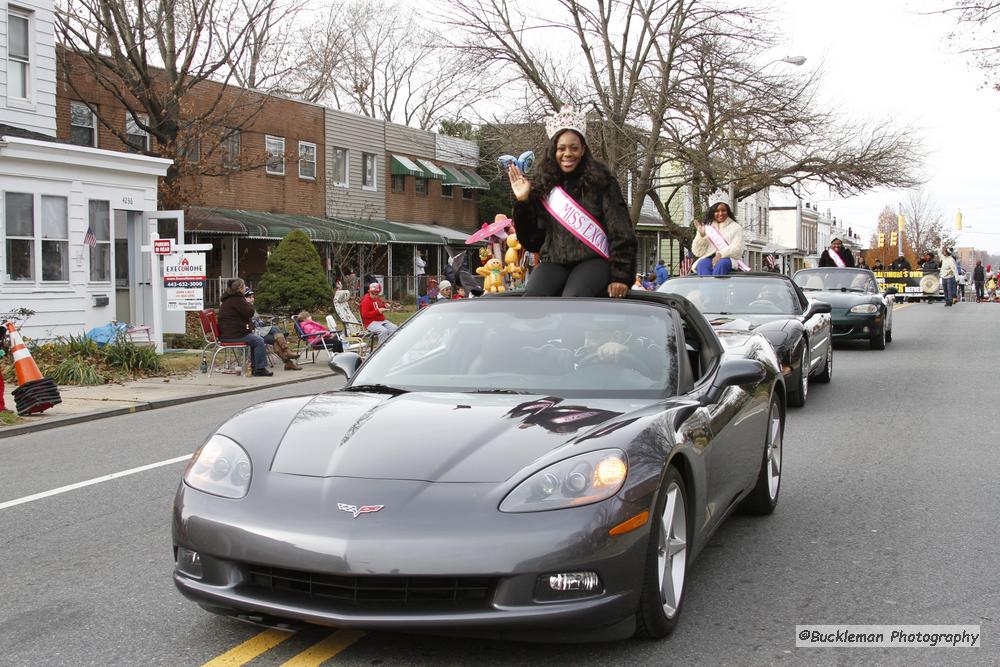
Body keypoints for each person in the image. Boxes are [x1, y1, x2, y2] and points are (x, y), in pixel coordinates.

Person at [507, 105, 637, 298]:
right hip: (554, 262)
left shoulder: (602, 180)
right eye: (562, 148)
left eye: (574, 148)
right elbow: (532, 242)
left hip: (593, 261)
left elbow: (621, 231)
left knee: (574, 297)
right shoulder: (543, 184)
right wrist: (524, 201)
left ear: (583, 150)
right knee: (532, 298)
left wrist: (621, 276)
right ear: (554, 151)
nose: (568, 154)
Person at [217, 278, 271, 377]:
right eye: (244, 286)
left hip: (227, 333)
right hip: (233, 335)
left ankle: (256, 367)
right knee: (259, 341)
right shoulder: (237, 299)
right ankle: (259, 369)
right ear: (240, 288)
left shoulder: (228, 299)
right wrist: (249, 304)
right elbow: (249, 313)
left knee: (255, 339)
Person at [244, 288, 301, 371]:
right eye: (249, 297)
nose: (252, 298)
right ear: (244, 298)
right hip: (253, 333)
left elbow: (259, 322)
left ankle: (288, 362)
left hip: (260, 331)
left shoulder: (252, 307)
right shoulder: (244, 308)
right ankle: (287, 354)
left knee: (275, 340)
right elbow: (252, 323)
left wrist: (264, 323)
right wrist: (261, 323)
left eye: (253, 297)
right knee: (275, 329)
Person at [692, 201, 744, 275]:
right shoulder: (706, 228)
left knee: (721, 264)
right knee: (702, 264)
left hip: (728, 258)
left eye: (723, 210)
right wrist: (702, 236)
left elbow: (737, 248)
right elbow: (697, 252)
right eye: (717, 211)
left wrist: (720, 254)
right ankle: (706, 286)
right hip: (709, 258)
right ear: (713, 213)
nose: (720, 213)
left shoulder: (736, 227)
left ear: (728, 212)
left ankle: (718, 286)